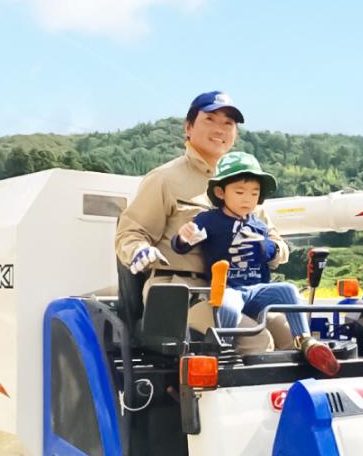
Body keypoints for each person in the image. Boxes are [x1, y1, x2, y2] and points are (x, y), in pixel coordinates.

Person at [114, 90, 291, 350]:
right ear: (188, 127)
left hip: (240, 289)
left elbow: (278, 245)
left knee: (290, 333)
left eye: (228, 123)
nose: (220, 129)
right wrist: (139, 250)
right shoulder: (165, 179)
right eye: (210, 119)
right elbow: (130, 233)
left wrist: (270, 249)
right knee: (257, 339)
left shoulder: (247, 184)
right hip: (182, 292)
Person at [172, 151, 341, 376]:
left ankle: (306, 341)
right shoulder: (209, 220)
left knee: (288, 290)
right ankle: (224, 347)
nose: (247, 199)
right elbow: (182, 246)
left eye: (254, 193)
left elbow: (277, 250)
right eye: (240, 192)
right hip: (229, 288)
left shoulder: (259, 224)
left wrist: (267, 248)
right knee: (227, 304)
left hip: (257, 290)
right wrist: (183, 237)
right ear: (220, 192)